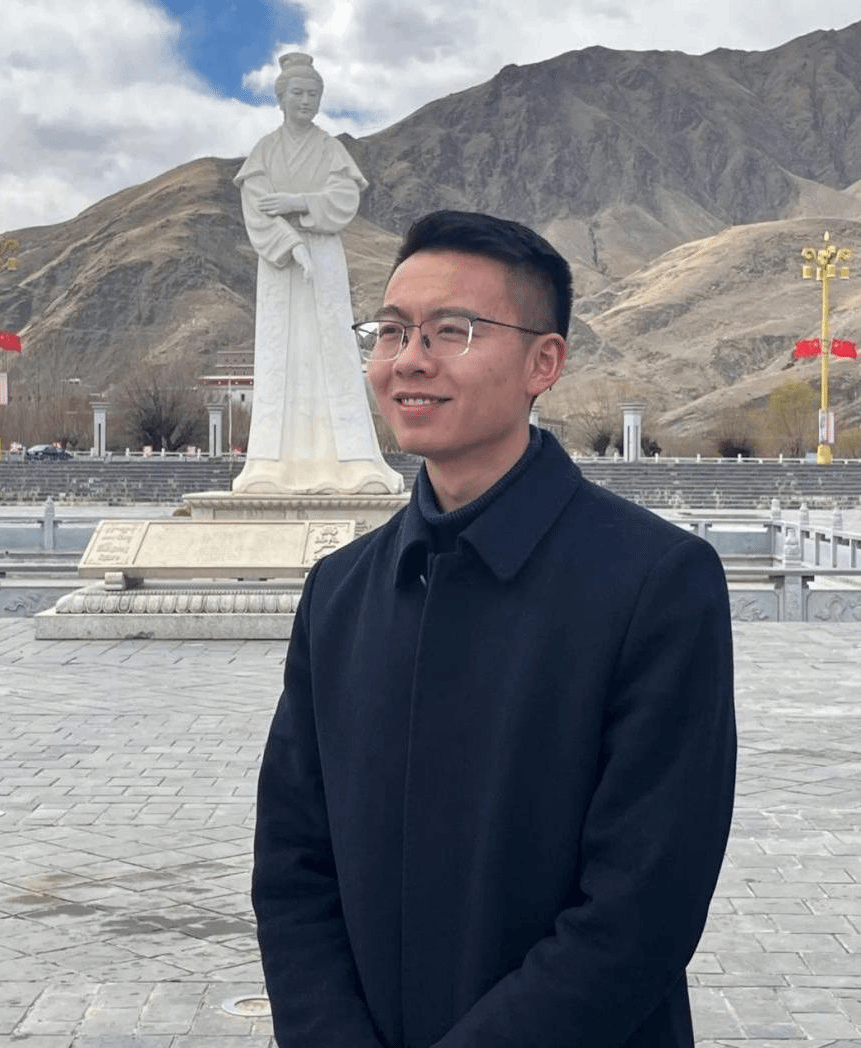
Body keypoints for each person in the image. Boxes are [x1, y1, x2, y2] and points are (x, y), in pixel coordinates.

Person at [252, 210, 736, 1048]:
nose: (409, 360)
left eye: (452, 330)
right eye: (391, 331)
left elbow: (642, 906)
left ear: (543, 362)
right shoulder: (341, 591)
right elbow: (293, 864)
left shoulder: (655, 583)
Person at [232, 52, 402, 495]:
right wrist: (291, 245)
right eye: (298, 93)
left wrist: (298, 203)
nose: (305, 101)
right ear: (281, 98)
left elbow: (344, 198)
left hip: (324, 259)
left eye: (312, 94)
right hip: (280, 267)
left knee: (332, 350)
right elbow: (256, 207)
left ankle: (352, 463)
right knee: (281, 356)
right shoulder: (265, 152)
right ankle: (270, 466)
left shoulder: (330, 150)